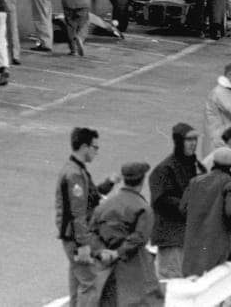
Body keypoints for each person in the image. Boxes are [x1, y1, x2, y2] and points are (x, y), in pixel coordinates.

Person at [89, 161, 162, 306]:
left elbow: (91, 232)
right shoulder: (143, 208)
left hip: (106, 268)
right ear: (142, 181)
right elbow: (140, 237)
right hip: (134, 267)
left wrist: (101, 252)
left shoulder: (105, 205)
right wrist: (119, 252)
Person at [55, 127, 114, 307]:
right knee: (90, 283)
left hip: (70, 237)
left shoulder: (75, 169)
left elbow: (91, 196)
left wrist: (109, 184)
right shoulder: (75, 175)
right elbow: (78, 213)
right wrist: (83, 245)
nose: (97, 152)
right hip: (76, 238)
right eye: (95, 147)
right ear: (84, 147)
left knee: (77, 282)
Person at [179, 147, 231, 277]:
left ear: (214, 162)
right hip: (218, 241)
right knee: (215, 278)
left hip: (193, 240)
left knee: (192, 277)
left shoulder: (195, 181)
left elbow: (183, 209)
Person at [149, 124, 205, 279]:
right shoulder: (164, 169)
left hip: (192, 237)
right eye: (189, 139)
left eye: (195, 139)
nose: (193, 143)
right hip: (172, 238)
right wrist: (189, 205)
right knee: (173, 281)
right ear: (179, 141)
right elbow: (160, 200)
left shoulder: (196, 166)